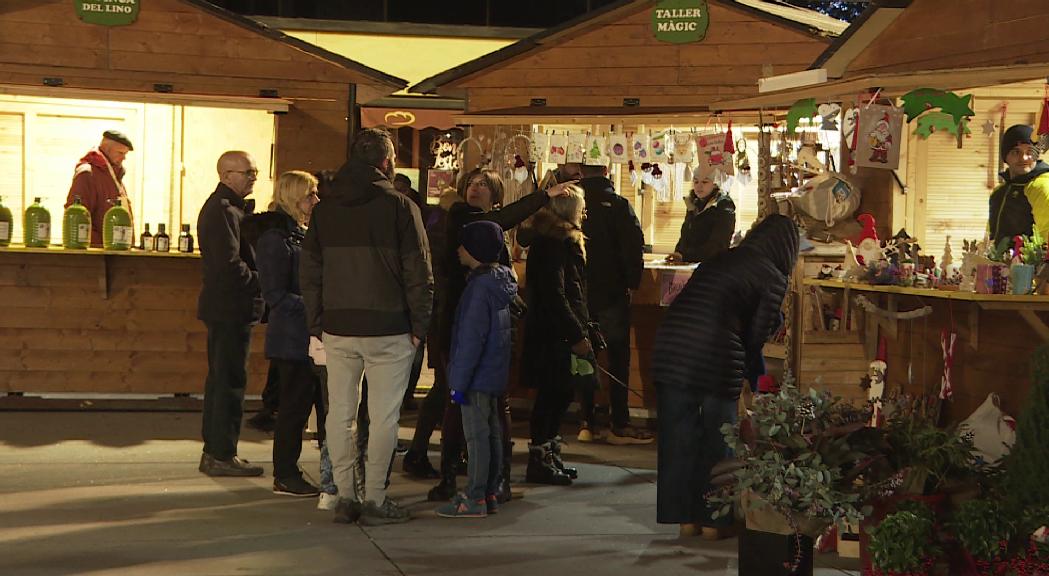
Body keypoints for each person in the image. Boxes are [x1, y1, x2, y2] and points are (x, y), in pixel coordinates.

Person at [300, 128, 433, 526]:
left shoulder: (325, 209)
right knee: (384, 417)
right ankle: (375, 496)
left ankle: (344, 495)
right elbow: (419, 270)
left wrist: (318, 321)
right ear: (387, 162)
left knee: (339, 414)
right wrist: (419, 325)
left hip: (339, 326)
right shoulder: (400, 206)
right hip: (390, 327)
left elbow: (309, 271)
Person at [423, 168, 574, 502]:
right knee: (461, 403)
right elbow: (506, 218)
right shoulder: (461, 219)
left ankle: (492, 480)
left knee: (488, 406)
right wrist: (543, 196)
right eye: (471, 183)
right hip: (458, 326)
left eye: (484, 185)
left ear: (495, 194)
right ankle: (464, 477)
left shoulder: (489, 236)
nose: (475, 188)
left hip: (484, 331)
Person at [653, 215, 799, 539]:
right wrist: (748, 375)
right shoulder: (773, 276)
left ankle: (684, 521)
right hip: (716, 356)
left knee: (677, 439)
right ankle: (714, 523)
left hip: (670, 349)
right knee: (720, 440)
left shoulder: (721, 259)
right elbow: (756, 334)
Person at [242, 170, 321, 497]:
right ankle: (285, 473)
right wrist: (316, 305)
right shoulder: (276, 239)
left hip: (309, 335)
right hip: (291, 338)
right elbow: (275, 294)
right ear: (293, 197)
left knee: (306, 406)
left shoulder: (301, 233)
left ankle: (293, 470)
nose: (315, 201)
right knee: (293, 409)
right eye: (310, 194)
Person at [435, 221, 516, 518]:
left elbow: (470, 339)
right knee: (491, 432)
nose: (458, 249)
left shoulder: (478, 289)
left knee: (476, 437)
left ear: (474, 250)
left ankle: (475, 496)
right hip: (493, 373)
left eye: (463, 244)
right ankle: (490, 491)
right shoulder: (498, 284)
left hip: (476, 377)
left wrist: (457, 382)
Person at [196, 150, 265, 477]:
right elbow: (229, 265)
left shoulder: (229, 209)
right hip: (230, 306)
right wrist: (261, 281)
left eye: (254, 172)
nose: (254, 177)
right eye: (248, 172)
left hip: (229, 306)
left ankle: (218, 451)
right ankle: (221, 453)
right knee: (228, 381)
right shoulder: (222, 210)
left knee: (224, 379)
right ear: (226, 175)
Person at [575, 163, 650, 445]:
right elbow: (634, 246)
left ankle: (586, 421)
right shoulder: (619, 206)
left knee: (584, 356)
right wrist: (631, 283)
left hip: (580, 293)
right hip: (612, 294)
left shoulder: (572, 202)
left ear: (581, 173)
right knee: (618, 357)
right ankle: (619, 420)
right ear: (607, 171)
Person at [520, 186, 590, 486]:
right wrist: (575, 333)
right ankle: (540, 457)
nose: (584, 212)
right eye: (580, 206)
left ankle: (549, 452)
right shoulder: (553, 244)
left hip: (556, 331)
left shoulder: (558, 241)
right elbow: (555, 294)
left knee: (560, 395)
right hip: (553, 335)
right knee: (552, 395)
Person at [65, 130, 134, 247]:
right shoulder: (88, 174)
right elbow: (77, 218)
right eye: (120, 153)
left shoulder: (115, 177)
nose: (124, 158)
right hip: (99, 254)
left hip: (114, 250)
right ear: (107, 149)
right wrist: (98, 247)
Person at [990, 124, 1049, 245]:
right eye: (1016, 152)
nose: (1024, 158)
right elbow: (991, 235)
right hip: (999, 262)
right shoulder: (999, 193)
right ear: (1005, 157)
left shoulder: (1041, 186)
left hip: (1032, 263)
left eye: (1030, 151)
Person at [666, 167, 735, 263]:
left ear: (715, 184)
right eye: (696, 182)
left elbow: (718, 244)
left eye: (705, 182)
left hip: (713, 266)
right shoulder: (693, 204)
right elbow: (685, 235)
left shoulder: (723, 205)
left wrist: (685, 256)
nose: (699, 186)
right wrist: (678, 253)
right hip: (690, 263)